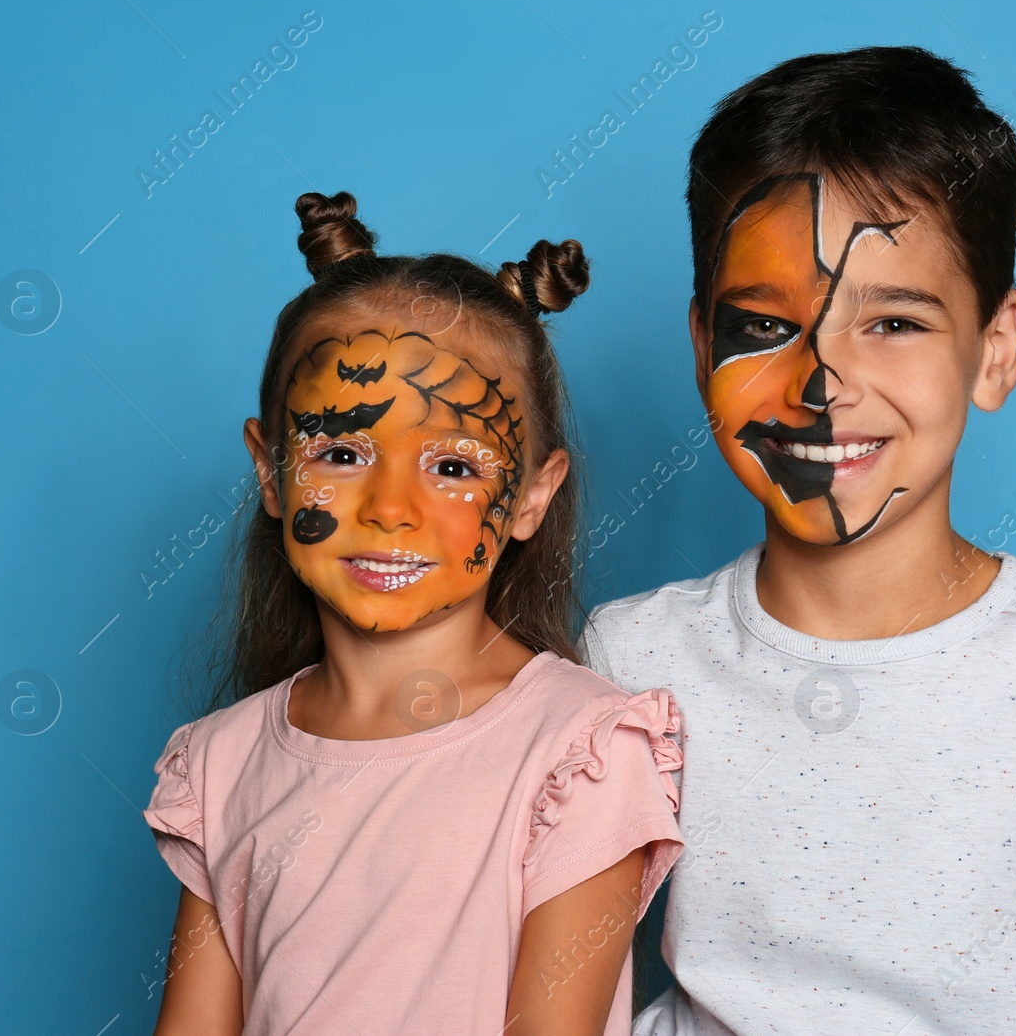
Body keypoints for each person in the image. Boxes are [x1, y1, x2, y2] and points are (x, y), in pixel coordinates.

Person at [581, 47, 1016, 1035]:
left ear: (995, 349)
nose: (823, 381)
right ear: (701, 349)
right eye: (764, 324)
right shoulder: (626, 658)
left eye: (894, 321)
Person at [140, 191, 684, 1036]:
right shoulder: (218, 765)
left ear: (533, 494)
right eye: (343, 451)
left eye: (455, 466)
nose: (391, 507)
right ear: (272, 471)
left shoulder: (580, 751)